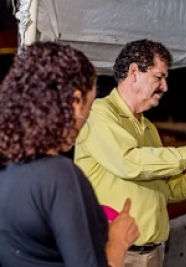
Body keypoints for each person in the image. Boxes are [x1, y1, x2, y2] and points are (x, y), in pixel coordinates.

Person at [74, 39, 186, 267]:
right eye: (159, 77)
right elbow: (130, 163)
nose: (165, 87)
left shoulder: (148, 128)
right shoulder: (100, 114)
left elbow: (164, 191)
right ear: (134, 72)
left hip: (152, 254)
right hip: (114, 252)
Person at [0, 42, 139, 267]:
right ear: (75, 102)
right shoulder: (59, 176)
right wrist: (118, 242)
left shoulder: (7, 166)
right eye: (89, 105)